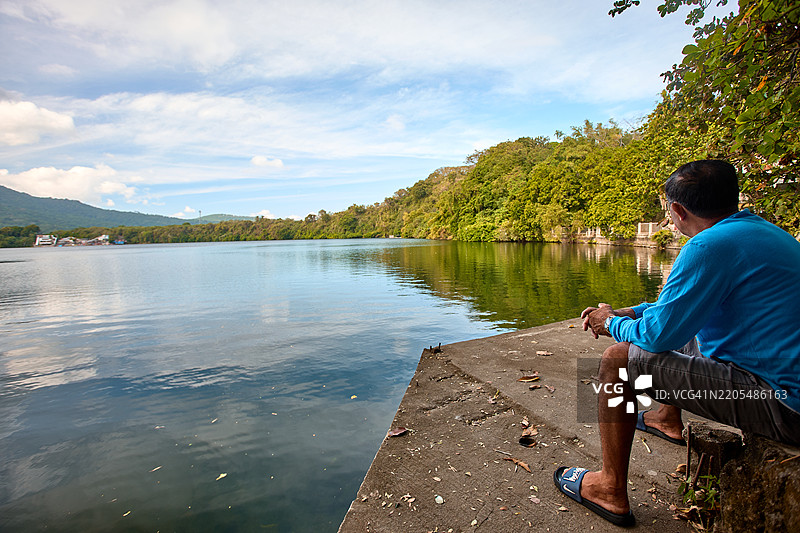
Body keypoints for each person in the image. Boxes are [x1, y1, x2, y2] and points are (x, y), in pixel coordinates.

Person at [553, 159, 800, 527]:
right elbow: (679, 308)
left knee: (616, 360)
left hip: (780, 404)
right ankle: (665, 419)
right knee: (686, 334)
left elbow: (659, 335)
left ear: (678, 210)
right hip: (776, 379)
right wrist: (631, 312)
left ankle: (609, 488)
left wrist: (612, 324)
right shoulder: (763, 233)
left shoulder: (707, 246)